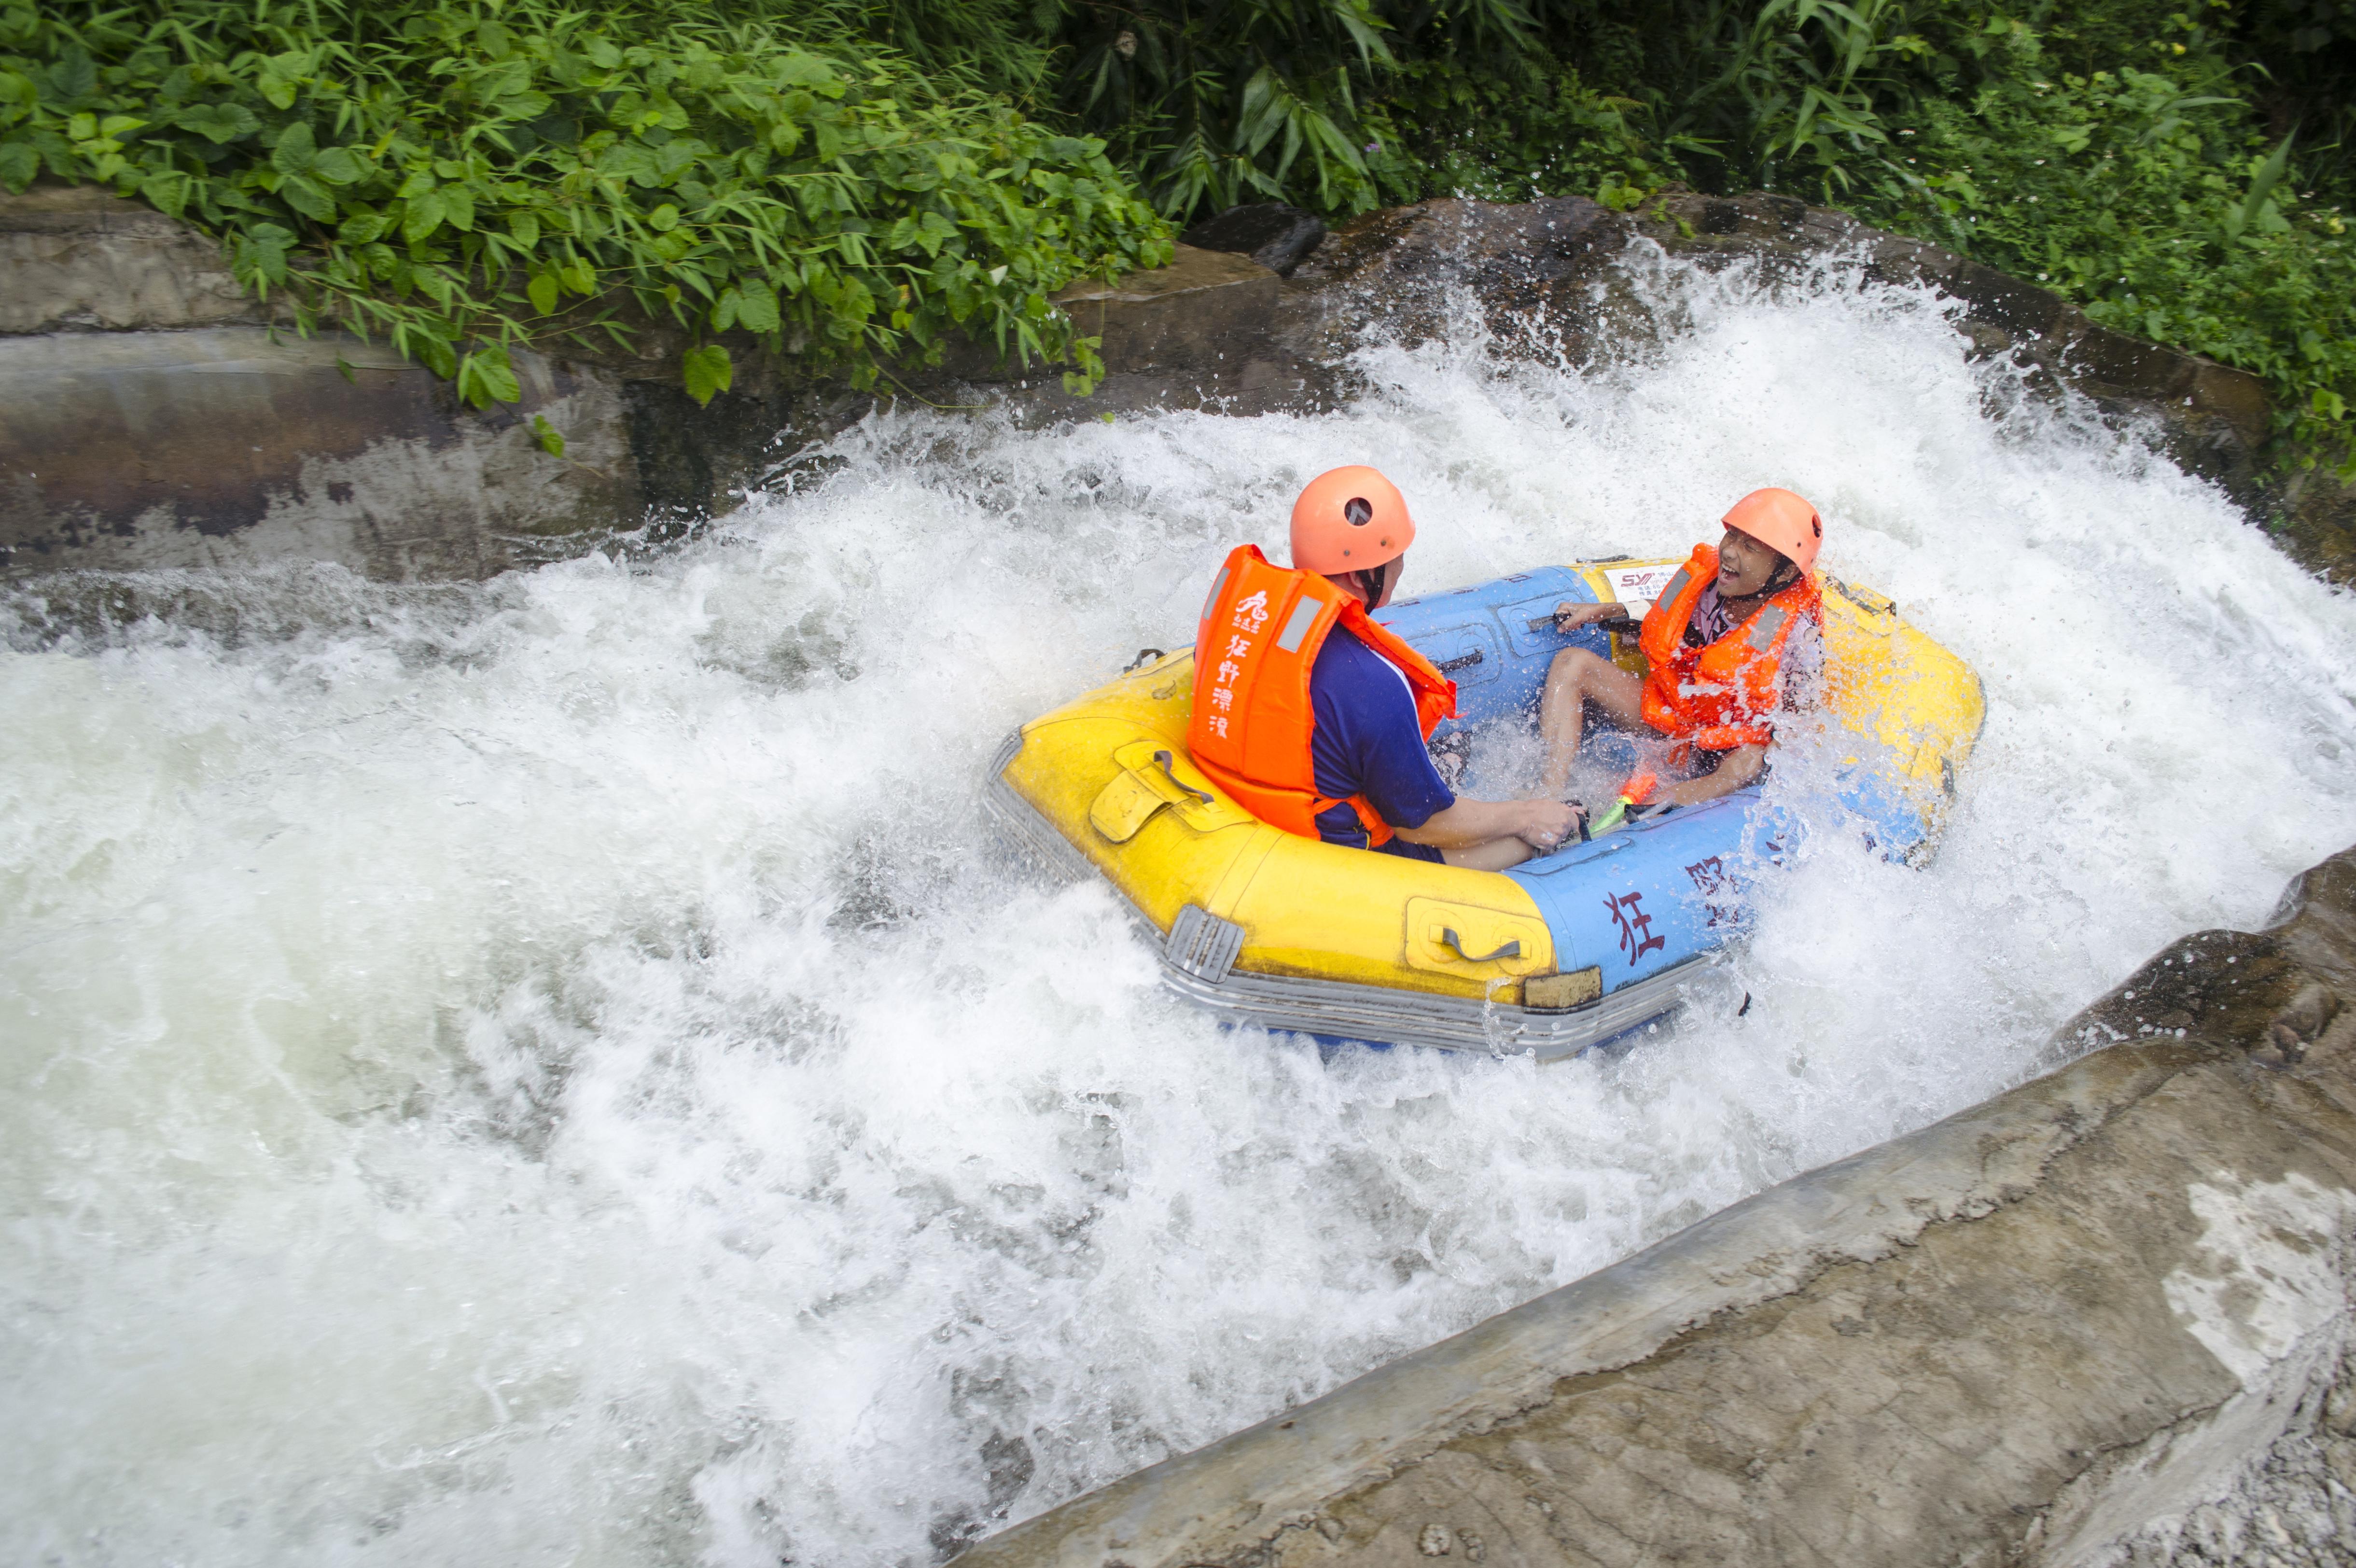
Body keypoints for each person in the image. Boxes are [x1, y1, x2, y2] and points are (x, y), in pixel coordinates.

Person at [1188, 466, 1583, 871]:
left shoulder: (1242, 621)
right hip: (1337, 854)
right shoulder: (1372, 682)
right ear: (1361, 576)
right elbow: (1424, 826)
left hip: (1258, 808)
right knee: (1526, 835)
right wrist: (1526, 814)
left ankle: (1436, 769)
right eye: (1395, 560)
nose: (1400, 568)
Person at [1536, 486, 1826, 806]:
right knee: (1572, 663)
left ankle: (1663, 809)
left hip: (1727, 751)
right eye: (1732, 536)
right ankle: (1550, 794)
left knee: (1751, 759)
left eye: (1750, 547)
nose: (1730, 552)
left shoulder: (1799, 635)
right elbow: (1669, 614)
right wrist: (1606, 610)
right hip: (1676, 720)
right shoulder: (1710, 582)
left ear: (1785, 571)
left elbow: (1801, 722)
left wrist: (1763, 758)